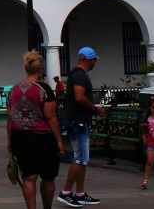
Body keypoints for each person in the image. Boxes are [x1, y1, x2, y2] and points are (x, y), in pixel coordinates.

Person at [8, 51, 64, 209]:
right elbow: (51, 116)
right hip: (43, 138)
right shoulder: (44, 89)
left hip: (20, 137)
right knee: (48, 177)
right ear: (41, 70)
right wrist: (59, 140)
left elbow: (10, 118)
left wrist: (9, 140)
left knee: (29, 178)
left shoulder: (14, 89)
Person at [57, 47, 104, 207]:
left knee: (83, 159)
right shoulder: (79, 75)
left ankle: (80, 193)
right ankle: (65, 192)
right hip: (78, 121)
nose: (95, 63)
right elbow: (79, 97)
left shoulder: (79, 74)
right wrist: (94, 108)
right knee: (80, 158)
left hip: (78, 120)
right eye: (94, 60)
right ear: (88, 59)